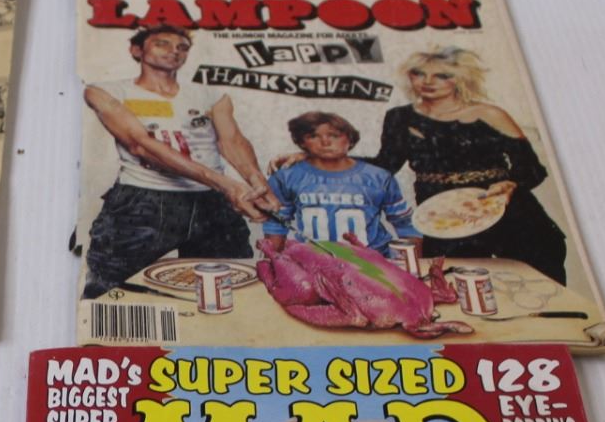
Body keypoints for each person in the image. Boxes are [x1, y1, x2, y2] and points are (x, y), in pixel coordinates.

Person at [82, 25, 279, 298]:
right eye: (162, 43)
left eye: (182, 47)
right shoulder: (107, 90)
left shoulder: (211, 95)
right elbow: (140, 144)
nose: (174, 51)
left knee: (228, 288)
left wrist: (258, 184)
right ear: (137, 50)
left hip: (212, 203)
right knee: (113, 290)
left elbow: (231, 140)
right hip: (144, 200)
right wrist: (226, 184)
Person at [372, 47, 570, 284]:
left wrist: (509, 185)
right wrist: (334, 158)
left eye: (442, 75)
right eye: (419, 73)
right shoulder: (399, 117)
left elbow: (531, 168)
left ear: (460, 78)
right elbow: (386, 164)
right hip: (444, 217)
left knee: (539, 282)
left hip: (505, 209)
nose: (428, 81)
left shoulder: (489, 114)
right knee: (451, 285)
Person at [261, 110, 417, 255]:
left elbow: (406, 224)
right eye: (313, 136)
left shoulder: (378, 177)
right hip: (315, 260)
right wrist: (273, 259)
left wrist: (415, 265)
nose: (325, 142)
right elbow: (276, 223)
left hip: (373, 260)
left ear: (350, 139)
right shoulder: (286, 177)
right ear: (301, 142)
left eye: (334, 136)